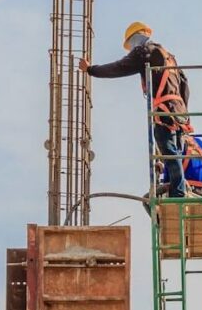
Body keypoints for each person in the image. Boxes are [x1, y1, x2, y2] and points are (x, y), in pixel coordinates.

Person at [79, 22, 192, 197]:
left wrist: (91, 70)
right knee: (174, 153)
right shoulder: (168, 56)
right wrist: (184, 114)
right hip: (178, 112)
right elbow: (185, 85)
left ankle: (179, 194)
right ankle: (180, 189)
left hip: (165, 111)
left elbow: (119, 67)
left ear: (134, 39)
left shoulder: (143, 51)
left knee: (169, 151)